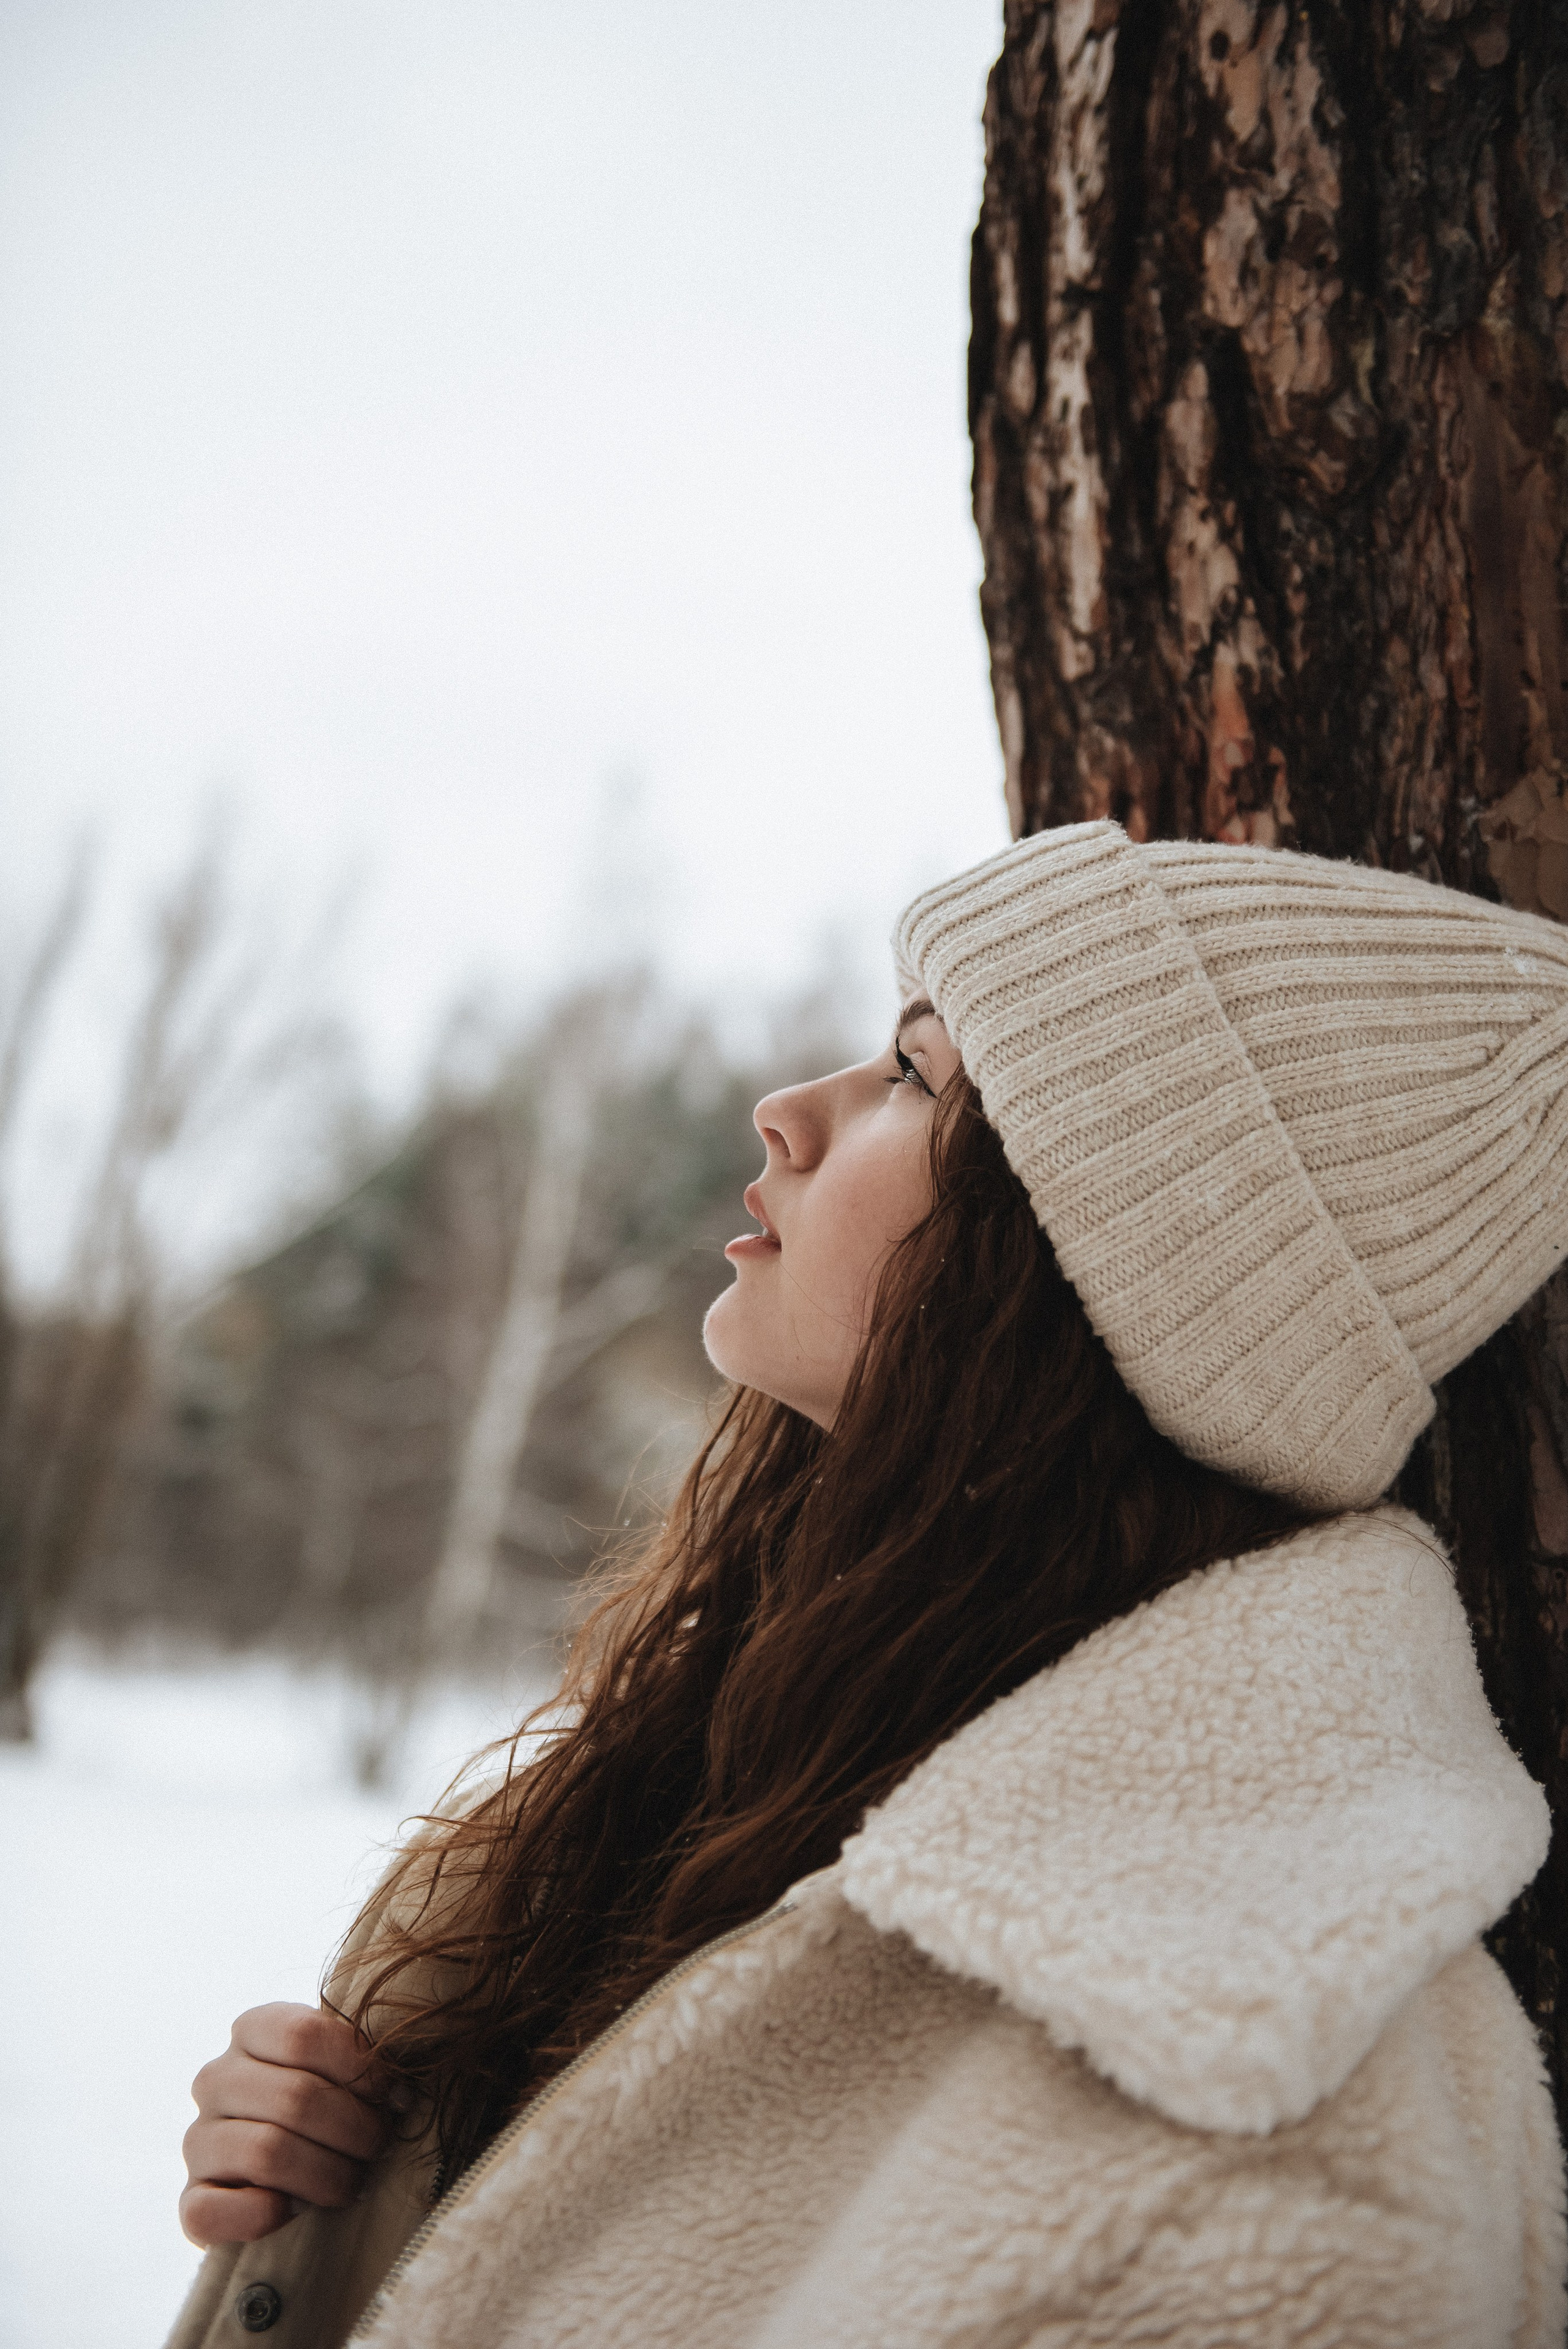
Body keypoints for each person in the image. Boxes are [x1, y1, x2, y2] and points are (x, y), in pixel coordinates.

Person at [172, 821, 1568, 2348]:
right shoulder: (755, 1745)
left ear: (1086, 1263)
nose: (785, 1113)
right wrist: (348, 2205)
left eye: (916, 1079)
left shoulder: (1273, 2152)